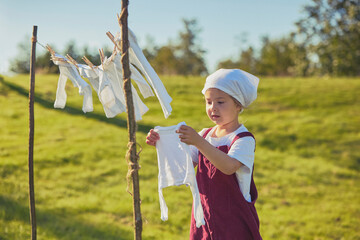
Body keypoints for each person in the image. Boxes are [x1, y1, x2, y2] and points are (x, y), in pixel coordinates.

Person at [146, 69, 262, 240]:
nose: (213, 108)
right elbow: (183, 165)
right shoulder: (205, 135)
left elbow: (229, 167)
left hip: (234, 221)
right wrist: (161, 144)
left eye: (220, 102)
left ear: (239, 105)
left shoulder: (243, 139)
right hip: (205, 216)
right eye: (208, 102)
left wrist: (198, 142)